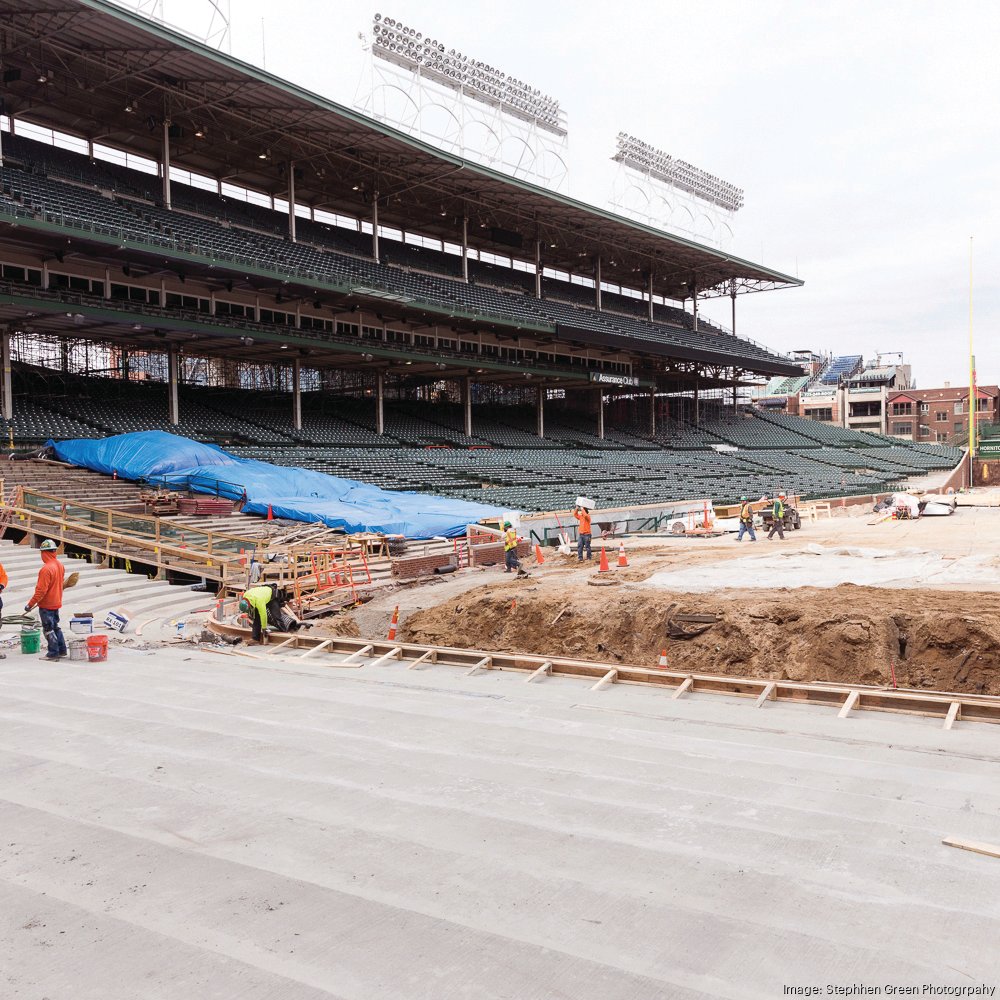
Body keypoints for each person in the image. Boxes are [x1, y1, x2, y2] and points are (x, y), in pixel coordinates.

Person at [25, 539, 67, 661]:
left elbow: (41, 591)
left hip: (47, 604)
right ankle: (62, 649)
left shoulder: (46, 569)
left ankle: (53, 653)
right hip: (57, 602)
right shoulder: (60, 565)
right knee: (56, 627)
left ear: (45, 553)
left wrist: (30, 604)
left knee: (48, 629)